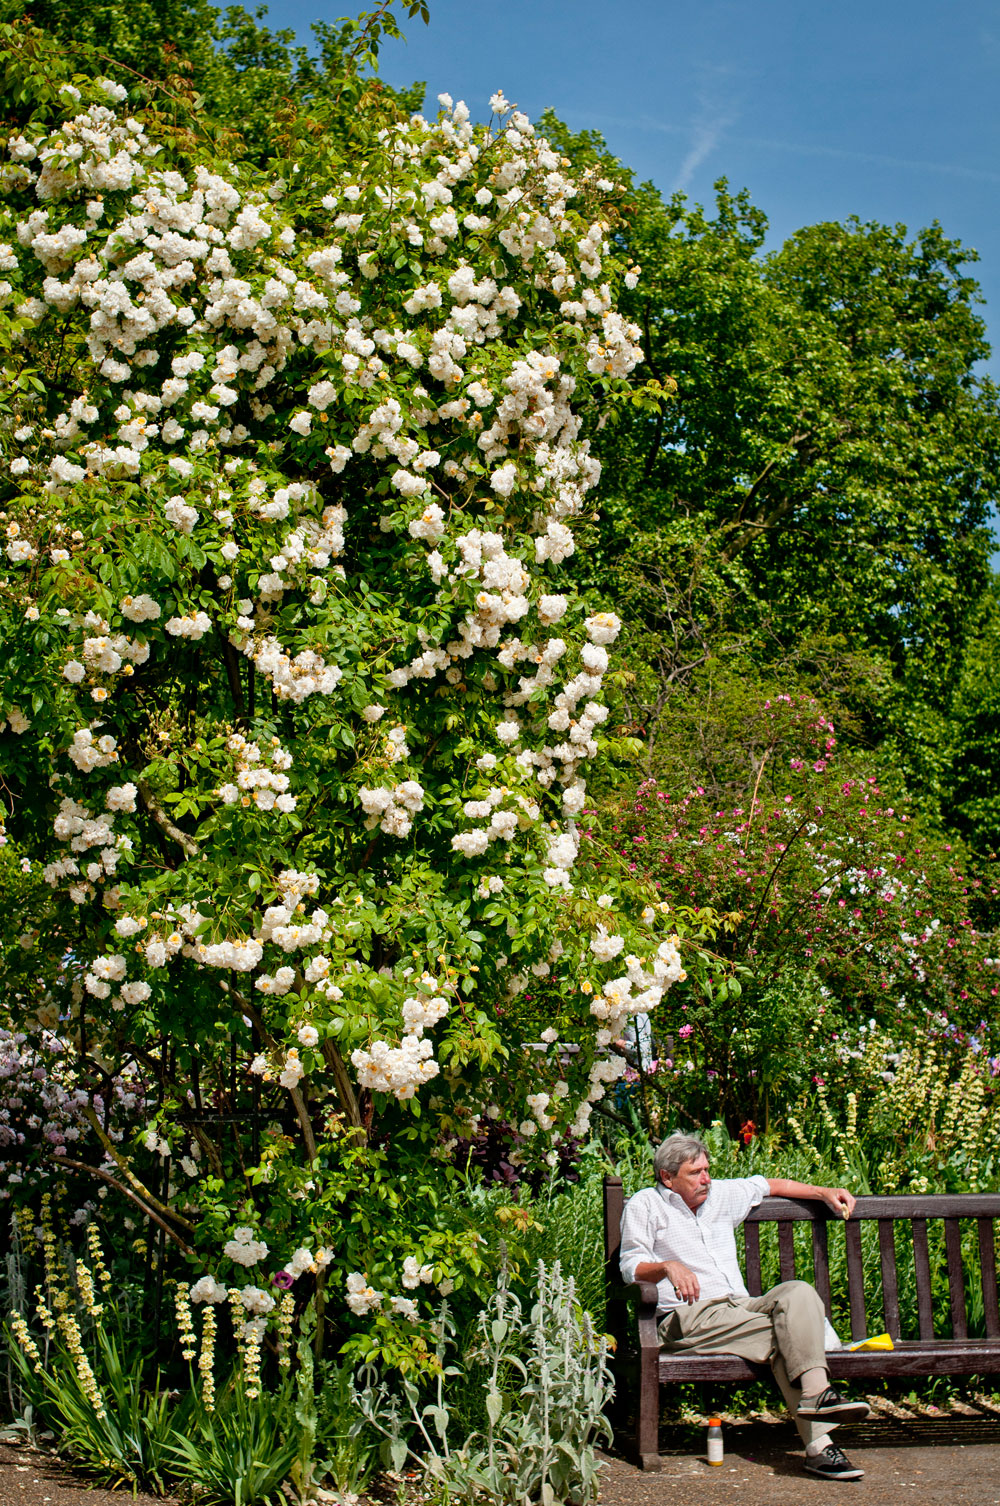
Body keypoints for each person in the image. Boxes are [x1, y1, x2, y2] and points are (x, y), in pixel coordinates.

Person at [619, 1131, 871, 1482]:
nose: (706, 1178)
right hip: (686, 1316)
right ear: (667, 1177)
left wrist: (823, 1192)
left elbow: (769, 1185)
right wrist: (666, 1267)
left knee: (798, 1293)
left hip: (740, 1307)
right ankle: (819, 1444)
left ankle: (815, 1398)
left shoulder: (720, 1194)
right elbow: (630, 1266)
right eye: (695, 1173)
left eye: (707, 1169)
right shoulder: (646, 1204)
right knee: (789, 1335)